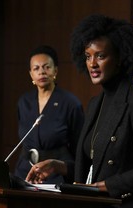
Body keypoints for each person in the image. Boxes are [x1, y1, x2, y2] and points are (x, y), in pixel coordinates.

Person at [26, 14, 133, 208]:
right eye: (87, 56)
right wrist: (59, 167)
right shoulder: (95, 104)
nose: (92, 63)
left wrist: (105, 186)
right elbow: (97, 165)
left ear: (120, 58)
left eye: (100, 56)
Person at [14, 45, 84, 184]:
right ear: (31, 74)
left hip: (56, 174)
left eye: (47, 67)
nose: (42, 72)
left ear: (55, 70)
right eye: (36, 68)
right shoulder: (24, 102)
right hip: (25, 171)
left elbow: (80, 148)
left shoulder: (70, 103)